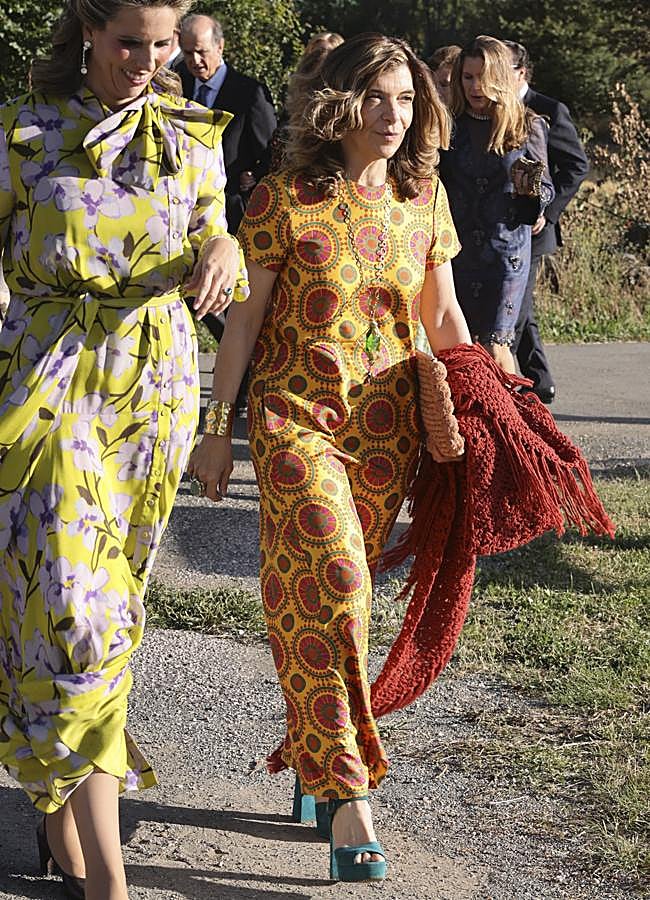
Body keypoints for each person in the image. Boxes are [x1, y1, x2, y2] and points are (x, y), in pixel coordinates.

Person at [187, 32, 471, 883]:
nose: (394, 114)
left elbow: (442, 317)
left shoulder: (424, 199)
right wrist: (216, 427)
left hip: (386, 432)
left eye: (407, 99)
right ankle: (348, 794)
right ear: (342, 104)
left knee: (337, 605)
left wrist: (484, 399)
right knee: (337, 578)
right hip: (293, 423)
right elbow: (243, 320)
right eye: (377, 97)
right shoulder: (283, 198)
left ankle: (313, 748)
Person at [0, 1, 247, 898]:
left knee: (105, 617)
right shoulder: (23, 131)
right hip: (50, 383)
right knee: (78, 611)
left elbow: (217, 229)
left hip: (153, 394)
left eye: (163, 44)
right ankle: (111, 883)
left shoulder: (192, 134)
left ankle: (59, 808)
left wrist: (224, 249)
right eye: (129, 43)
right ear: (89, 33)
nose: (147, 60)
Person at [439, 35, 555, 372]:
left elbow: (546, 189)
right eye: (468, 77)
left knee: (496, 344)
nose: (475, 86)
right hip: (457, 251)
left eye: (484, 77)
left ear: (501, 78)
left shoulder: (526, 124)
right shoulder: (448, 126)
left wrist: (532, 192)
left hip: (506, 253)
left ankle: (509, 407)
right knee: (459, 346)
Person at [505, 39, 589, 402]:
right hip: (504, 228)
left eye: (502, 69)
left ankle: (512, 385)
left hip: (536, 229)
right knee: (520, 306)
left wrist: (548, 212)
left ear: (521, 72)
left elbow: (576, 166)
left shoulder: (549, 110)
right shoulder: (491, 110)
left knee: (516, 309)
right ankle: (540, 381)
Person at [176, 13, 277, 234]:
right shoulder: (177, 84)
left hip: (230, 211)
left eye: (201, 52)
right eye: (188, 53)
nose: (195, 61)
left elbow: (271, 150)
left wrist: (253, 175)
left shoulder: (250, 93)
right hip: (180, 208)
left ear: (220, 46)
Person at [269, 30, 344, 171]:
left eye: (329, 54)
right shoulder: (287, 129)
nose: (321, 58)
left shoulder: (347, 130)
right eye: (316, 54)